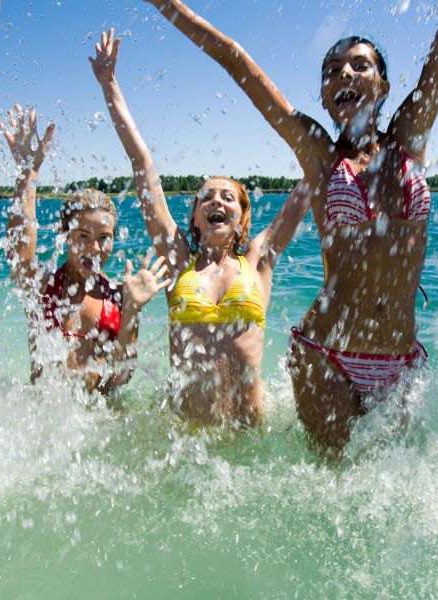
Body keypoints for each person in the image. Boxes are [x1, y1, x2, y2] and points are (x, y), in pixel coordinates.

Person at [146, 0, 438, 453]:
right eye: (332, 71)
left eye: (360, 65)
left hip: (400, 358)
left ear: (383, 85)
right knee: (336, 486)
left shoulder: (409, 135)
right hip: (328, 355)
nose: (345, 75)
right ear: (324, 98)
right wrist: (168, 6)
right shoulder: (321, 157)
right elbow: (236, 61)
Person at [90, 29, 311, 426]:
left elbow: (309, 182)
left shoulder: (258, 261)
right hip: (189, 442)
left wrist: (337, 142)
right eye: (206, 197)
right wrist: (110, 87)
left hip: (249, 440)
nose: (216, 202)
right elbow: (143, 166)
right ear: (194, 216)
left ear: (242, 217)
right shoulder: (179, 263)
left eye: (228, 197)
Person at [0, 104, 170, 392]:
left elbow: (121, 377)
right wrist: (27, 174)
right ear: (63, 234)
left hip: (98, 413)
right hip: (46, 410)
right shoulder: (44, 286)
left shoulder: (119, 295)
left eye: (104, 237)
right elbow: (19, 253)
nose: (94, 247)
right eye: (82, 235)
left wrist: (132, 310)